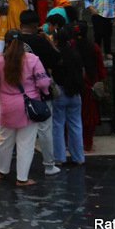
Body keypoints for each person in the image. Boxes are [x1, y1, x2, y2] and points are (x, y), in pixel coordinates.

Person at [0, 30, 51, 186]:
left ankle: (2, 171)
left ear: (6, 43)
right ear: (23, 44)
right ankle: (22, 178)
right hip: (28, 107)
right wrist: (45, 91)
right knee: (26, 143)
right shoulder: (32, 60)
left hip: (7, 107)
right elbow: (43, 83)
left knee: (4, 140)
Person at [18, 10, 61, 177]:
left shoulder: (13, 41)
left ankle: (21, 168)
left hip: (18, 93)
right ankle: (49, 165)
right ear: (36, 25)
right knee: (44, 129)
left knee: (21, 133)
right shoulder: (40, 41)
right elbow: (57, 59)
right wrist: (49, 42)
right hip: (41, 92)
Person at [52, 28, 85, 166]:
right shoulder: (75, 54)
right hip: (75, 92)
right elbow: (82, 73)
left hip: (60, 92)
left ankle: (59, 157)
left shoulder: (56, 55)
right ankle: (79, 157)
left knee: (58, 125)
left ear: (57, 40)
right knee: (76, 125)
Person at [74, 22, 108, 152]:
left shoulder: (72, 46)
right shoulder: (94, 47)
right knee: (90, 116)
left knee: (74, 117)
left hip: (75, 85)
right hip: (91, 85)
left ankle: (73, 143)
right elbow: (101, 68)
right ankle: (88, 143)